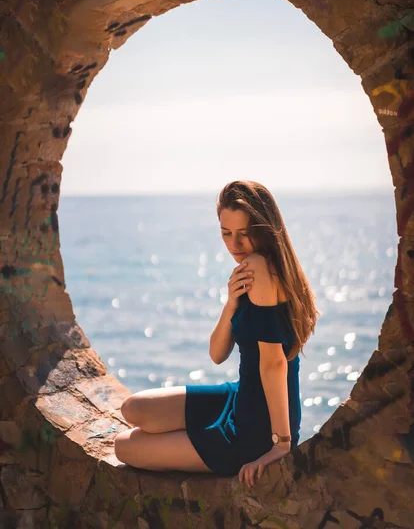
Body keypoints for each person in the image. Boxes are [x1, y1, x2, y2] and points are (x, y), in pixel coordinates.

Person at [114, 180, 319, 486]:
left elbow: (274, 362)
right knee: (134, 409)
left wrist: (280, 443)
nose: (234, 244)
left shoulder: (260, 267)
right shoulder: (256, 270)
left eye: (244, 233)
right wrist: (231, 302)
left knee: (124, 446)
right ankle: (197, 439)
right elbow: (217, 354)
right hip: (238, 397)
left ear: (263, 229)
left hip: (255, 428)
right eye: (226, 233)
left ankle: (211, 445)